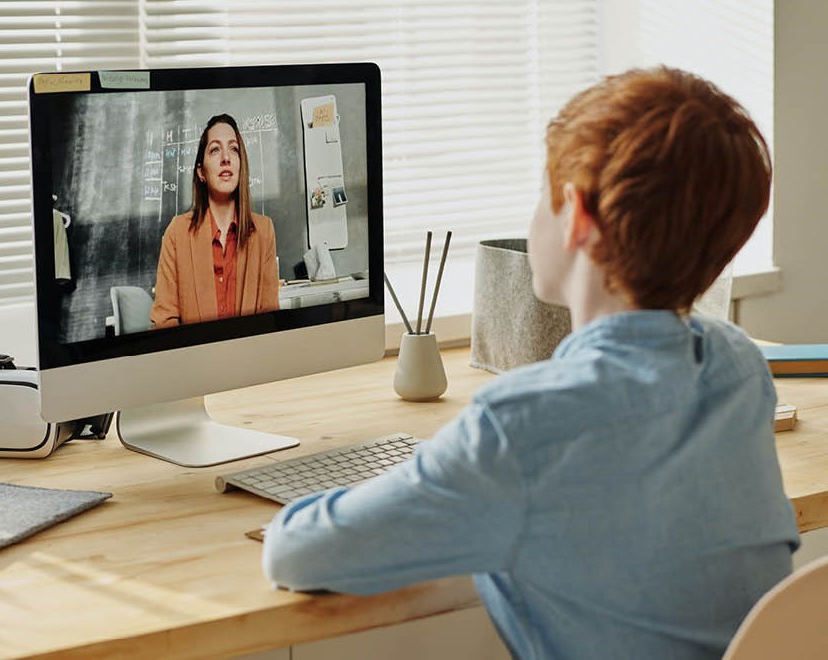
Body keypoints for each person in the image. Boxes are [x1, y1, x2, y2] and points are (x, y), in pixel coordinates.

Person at [262, 67, 800, 659]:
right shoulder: (738, 368)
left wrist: (418, 485)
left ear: (576, 215)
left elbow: (296, 553)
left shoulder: (522, 426)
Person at [151, 114, 279, 328]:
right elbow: (165, 322)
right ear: (201, 171)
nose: (226, 158)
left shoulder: (264, 232)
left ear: (241, 165)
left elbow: (269, 320)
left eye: (234, 149)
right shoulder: (177, 233)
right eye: (215, 150)